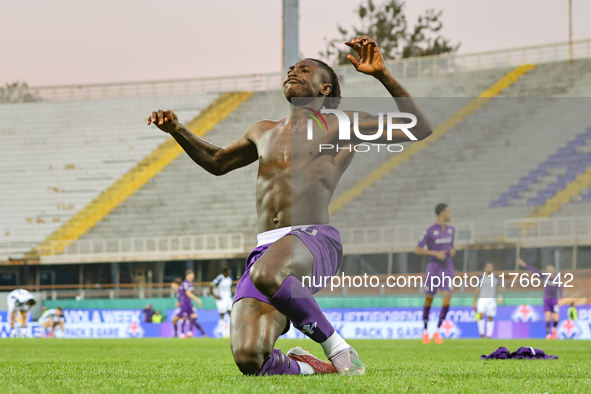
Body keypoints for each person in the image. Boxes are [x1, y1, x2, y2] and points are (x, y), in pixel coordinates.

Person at [147, 35, 432, 376]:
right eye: (291, 68)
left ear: (325, 89)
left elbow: (419, 128)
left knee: (268, 272)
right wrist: (178, 130)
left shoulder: (342, 124)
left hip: (313, 240)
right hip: (266, 250)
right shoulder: (263, 130)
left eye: (304, 69)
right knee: (250, 358)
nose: (293, 71)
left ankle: (340, 351)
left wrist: (382, 74)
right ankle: (318, 370)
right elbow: (217, 161)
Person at [414, 203, 455, 344]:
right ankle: (425, 331)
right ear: (441, 213)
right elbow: (418, 249)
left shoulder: (451, 230)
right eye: (448, 212)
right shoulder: (430, 231)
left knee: (447, 299)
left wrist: (452, 251)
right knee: (429, 300)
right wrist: (435, 253)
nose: (450, 214)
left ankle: (437, 331)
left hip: (447, 268)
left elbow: (451, 247)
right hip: (433, 268)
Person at [518, 258, 562, 339]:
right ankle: (548, 334)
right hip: (547, 299)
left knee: (556, 318)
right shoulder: (545, 276)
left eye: (550, 268)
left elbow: (560, 288)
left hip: (554, 300)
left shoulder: (557, 278)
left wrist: (561, 298)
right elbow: (535, 271)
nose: (549, 270)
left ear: (553, 269)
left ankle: (554, 329)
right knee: (548, 316)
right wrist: (525, 265)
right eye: (548, 268)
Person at [472, 263, 502, 338]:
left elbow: (498, 288)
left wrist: (500, 296)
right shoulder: (481, 278)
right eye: (488, 267)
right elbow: (478, 289)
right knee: (481, 315)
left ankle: (489, 335)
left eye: (491, 267)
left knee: (490, 317)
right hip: (482, 299)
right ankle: (481, 334)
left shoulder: (495, 278)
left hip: (491, 300)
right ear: (485, 268)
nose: (490, 269)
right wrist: (474, 301)